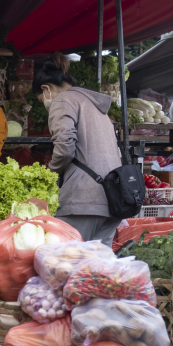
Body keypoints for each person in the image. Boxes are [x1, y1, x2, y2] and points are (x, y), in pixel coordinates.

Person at [33, 53, 122, 245]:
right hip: (113, 196)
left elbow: (65, 148)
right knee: (98, 268)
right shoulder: (93, 104)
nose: (45, 105)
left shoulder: (63, 101)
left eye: (42, 101)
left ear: (46, 89)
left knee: (66, 261)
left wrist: (49, 174)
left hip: (85, 199)